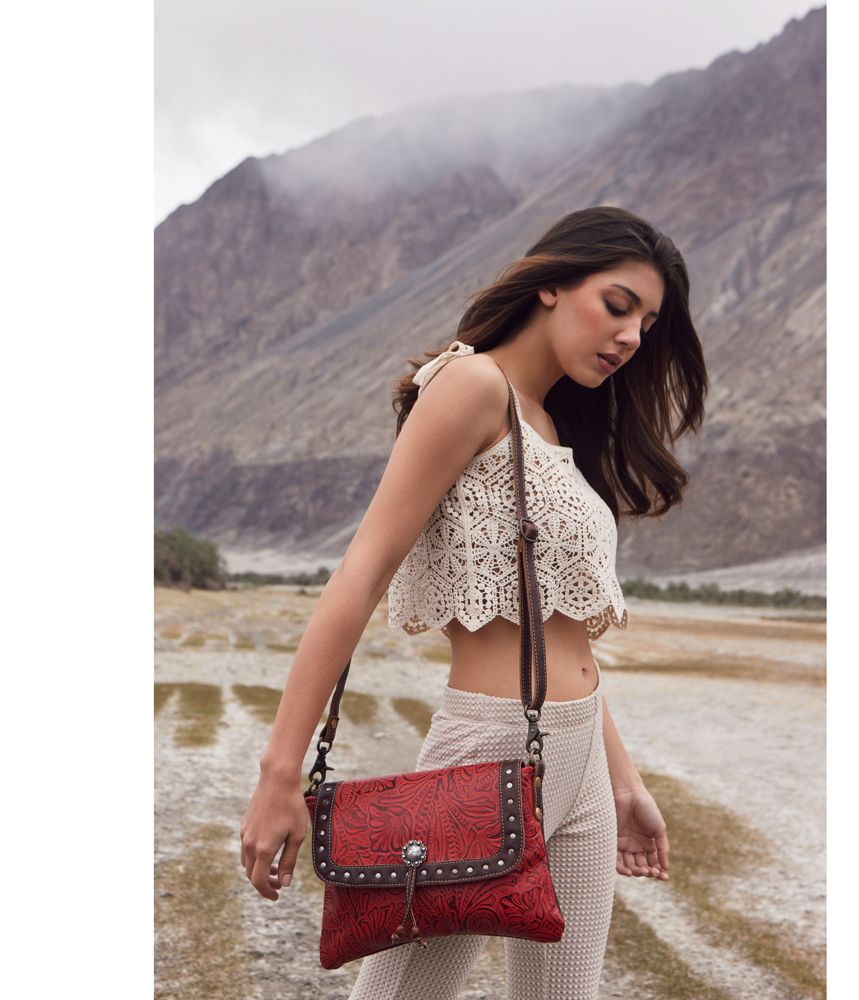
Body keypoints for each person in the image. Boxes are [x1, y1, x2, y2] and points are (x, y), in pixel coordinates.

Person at [240, 205, 709, 999]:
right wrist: (280, 772)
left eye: (647, 323)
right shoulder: (469, 385)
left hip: (582, 770)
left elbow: (561, 635)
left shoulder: (556, 424)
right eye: (618, 304)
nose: (630, 337)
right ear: (553, 285)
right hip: (486, 750)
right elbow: (361, 571)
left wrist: (623, 781)